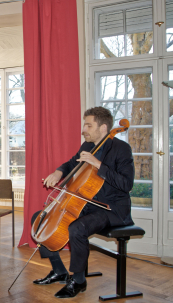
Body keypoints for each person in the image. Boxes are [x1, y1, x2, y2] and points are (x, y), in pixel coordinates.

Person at [32, 106, 135, 298]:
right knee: (39, 219)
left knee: (77, 229)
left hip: (112, 208)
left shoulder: (122, 149)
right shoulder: (87, 146)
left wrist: (98, 165)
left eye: (88, 125)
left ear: (103, 128)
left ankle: (78, 281)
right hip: (87, 202)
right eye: (84, 124)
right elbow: (72, 163)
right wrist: (58, 172)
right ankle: (59, 270)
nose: (84, 129)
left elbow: (127, 184)